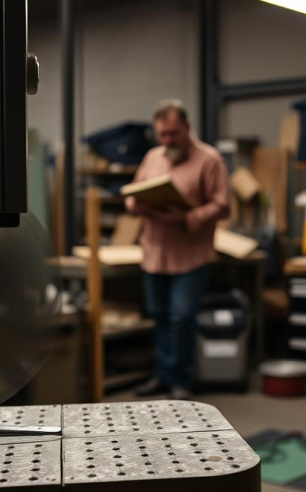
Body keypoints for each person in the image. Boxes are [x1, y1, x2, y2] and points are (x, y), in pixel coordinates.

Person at [125, 99, 229, 399]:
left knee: (181, 317)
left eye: (173, 133)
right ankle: (163, 376)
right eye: (162, 135)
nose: (167, 140)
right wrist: (135, 204)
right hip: (154, 254)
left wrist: (187, 217)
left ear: (187, 127)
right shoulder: (152, 157)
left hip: (190, 257)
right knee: (159, 316)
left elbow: (223, 205)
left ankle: (181, 380)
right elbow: (133, 192)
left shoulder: (210, 160)